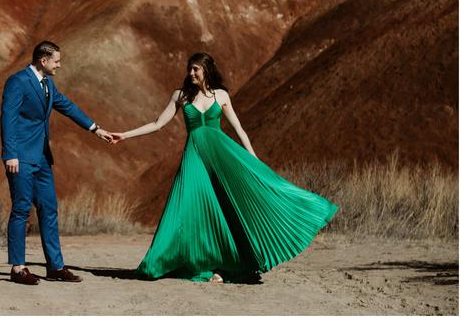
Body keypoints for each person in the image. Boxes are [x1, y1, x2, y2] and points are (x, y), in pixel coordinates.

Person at [110, 52, 338, 283]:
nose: (191, 73)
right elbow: (158, 124)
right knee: (185, 205)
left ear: (207, 70)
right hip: (195, 156)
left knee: (227, 207)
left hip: (221, 156)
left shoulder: (221, 95)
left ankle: (229, 266)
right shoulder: (180, 96)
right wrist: (124, 135)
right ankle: (165, 260)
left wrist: (253, 158)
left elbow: (239, 129)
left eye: (196, 69)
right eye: (189, 69)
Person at [1, 40, 113, 285]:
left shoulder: (48, 84)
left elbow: (67, 106)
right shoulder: (17, 82)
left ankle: (55, 267)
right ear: (43, 60)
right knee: (21, 210)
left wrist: (95, 129)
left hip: (42, 158)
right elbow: (7, 118)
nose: (59, 65)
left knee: (49, 209)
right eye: (57, 61)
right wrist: (10, 154)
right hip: (20, 158)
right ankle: (18, 268)